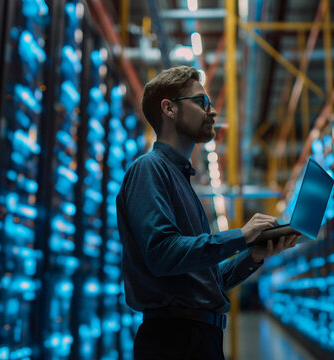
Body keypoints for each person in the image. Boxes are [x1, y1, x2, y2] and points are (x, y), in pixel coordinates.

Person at [116, 66, 299, 360]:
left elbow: (206, 282)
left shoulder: (182, 180)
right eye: (201, 102)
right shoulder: (149, 169)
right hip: (174, 342)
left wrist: (253, 255)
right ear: (169, 109)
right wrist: (240, 235)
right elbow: (162, 254)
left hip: (200, 338)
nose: (212, 112)